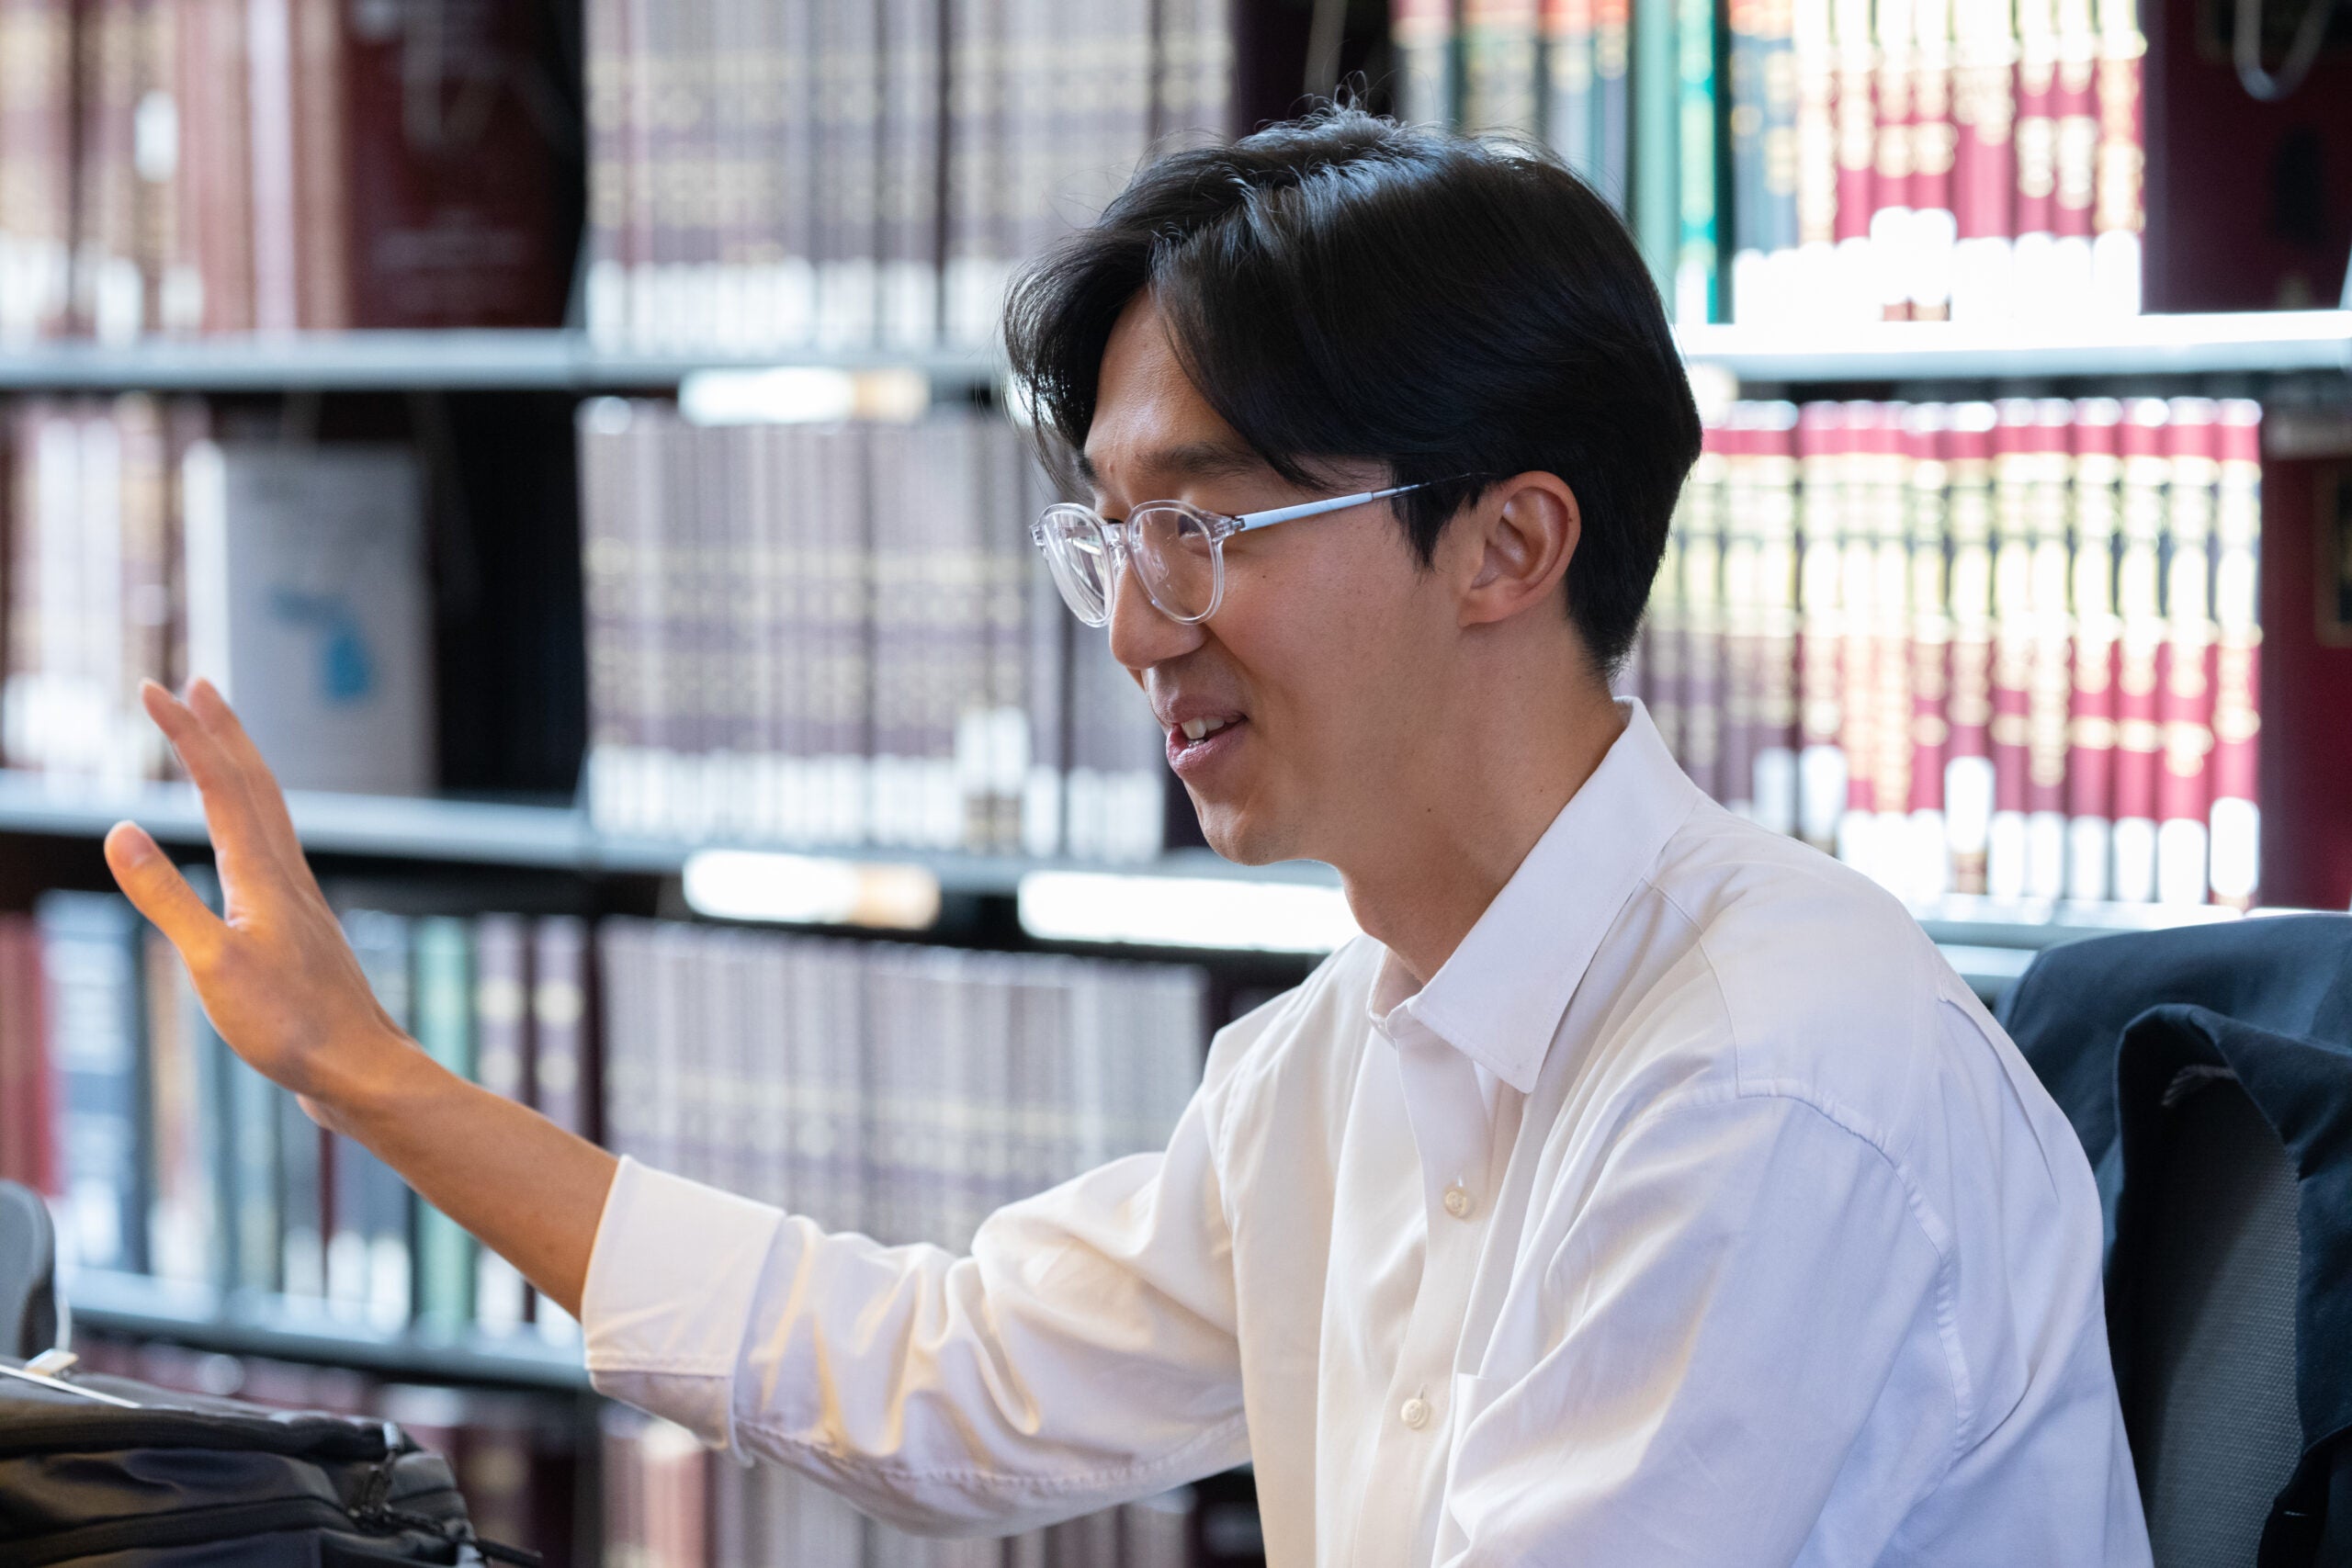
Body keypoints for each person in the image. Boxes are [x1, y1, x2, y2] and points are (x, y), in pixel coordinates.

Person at [106, 110, 2151, 1566]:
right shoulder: (1344, 1047)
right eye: (1107, 531)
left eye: (1202, 525)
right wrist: (356, 1071)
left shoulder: (1757, 1077)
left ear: (1511, 540)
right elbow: (942, 1373)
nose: (1136, 623)